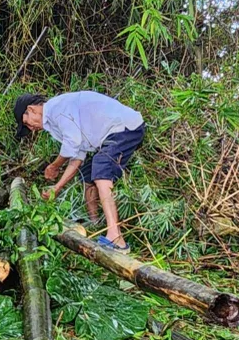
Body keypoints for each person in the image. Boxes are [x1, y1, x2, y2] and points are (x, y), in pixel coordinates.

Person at [14, 90, 144, 251]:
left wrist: (54, 166)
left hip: (125, 127)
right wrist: (57, 188)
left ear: (31, 109)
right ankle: (95, 224)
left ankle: (116, 238)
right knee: (88, 174)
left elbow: (71, 144)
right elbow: (77, 156)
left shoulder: (57, 108)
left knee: (101, 168)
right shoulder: (53, 123)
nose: (31, 128)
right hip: (113, 133)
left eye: (27, 123)